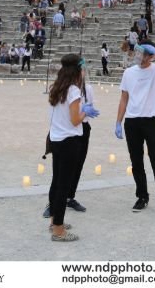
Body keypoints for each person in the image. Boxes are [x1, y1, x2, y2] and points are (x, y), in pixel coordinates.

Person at [115, 40, 155, 218]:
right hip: (132, 122)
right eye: (137, 52)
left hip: (152, 121)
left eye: (142, 53)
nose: (138, 56)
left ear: (150, 56)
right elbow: (124, 98)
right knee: (136, 163)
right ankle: (142, 196)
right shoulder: (129, 72)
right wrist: (118, 122)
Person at [47, 54, 99, 241]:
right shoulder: (74, 91)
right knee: (63, 186)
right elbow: (75, 119)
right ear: (77, 70)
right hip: (69, 141)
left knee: (56, 182)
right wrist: (86, 111)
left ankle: (54, 221)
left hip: (56, 139)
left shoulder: (57, 87)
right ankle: (59, 230)